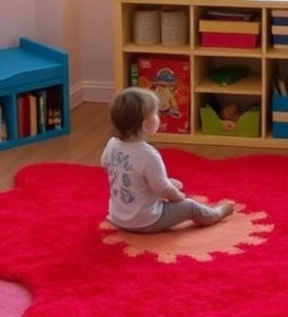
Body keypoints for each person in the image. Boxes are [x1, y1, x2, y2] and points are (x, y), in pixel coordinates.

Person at [101, 87, 235, 231]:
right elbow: (164, 191)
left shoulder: (112, 143)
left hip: (118, 216)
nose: (158, 117)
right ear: (146, 125)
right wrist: (179, 197)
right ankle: (216, 213)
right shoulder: (148, 155)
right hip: (147, 221)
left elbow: (105, 164)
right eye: (156, 114)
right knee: (190, 206)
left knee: (169, 182)